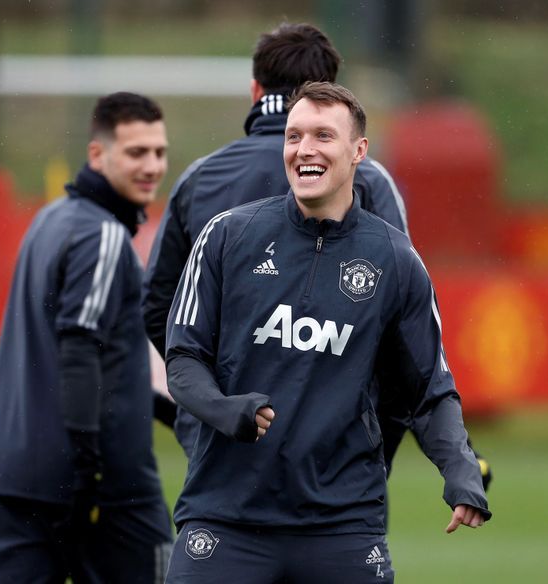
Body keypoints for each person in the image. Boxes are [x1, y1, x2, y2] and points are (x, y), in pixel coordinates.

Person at [163, 82, 491, 583]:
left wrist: (461, 470)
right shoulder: (228, 236)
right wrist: (225, 409)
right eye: (294, 137)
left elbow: (428, 390)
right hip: (224, 519)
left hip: (342, 525)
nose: (304, 150)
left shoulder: (396, 260)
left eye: (322, 136)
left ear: (359, 150)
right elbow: (183, 360)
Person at [142, 21, 491, 490]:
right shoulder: (366, 177)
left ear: (254, 90)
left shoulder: (200, 178)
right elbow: (400, 317)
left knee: (225, 546)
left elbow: (158, 305)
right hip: (338, 449)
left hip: (224, 436)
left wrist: (214, 390)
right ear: (330, 90)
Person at [0, 92, 172, 583]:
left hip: (13, 477)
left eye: (159, 152)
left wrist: (176, 411)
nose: (152, 166)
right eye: (136, 153)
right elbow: (79, 347)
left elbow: (95, 363)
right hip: (101, 491)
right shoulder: (103, 235)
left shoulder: (49, 218)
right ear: (97, 155)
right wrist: (89, 469)